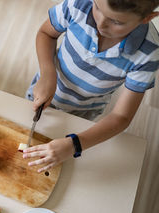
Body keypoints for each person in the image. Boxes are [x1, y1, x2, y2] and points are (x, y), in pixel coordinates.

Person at [24, 0, 159, 172]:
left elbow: (121, 117)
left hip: (85, 110)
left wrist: (74, 144)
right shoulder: (78, 5)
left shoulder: (149, 55)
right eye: (97, 7)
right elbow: (46, 33)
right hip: (42, 90)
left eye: (116, 21)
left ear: (147, 18)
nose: (100, 23)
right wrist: (47, 72)